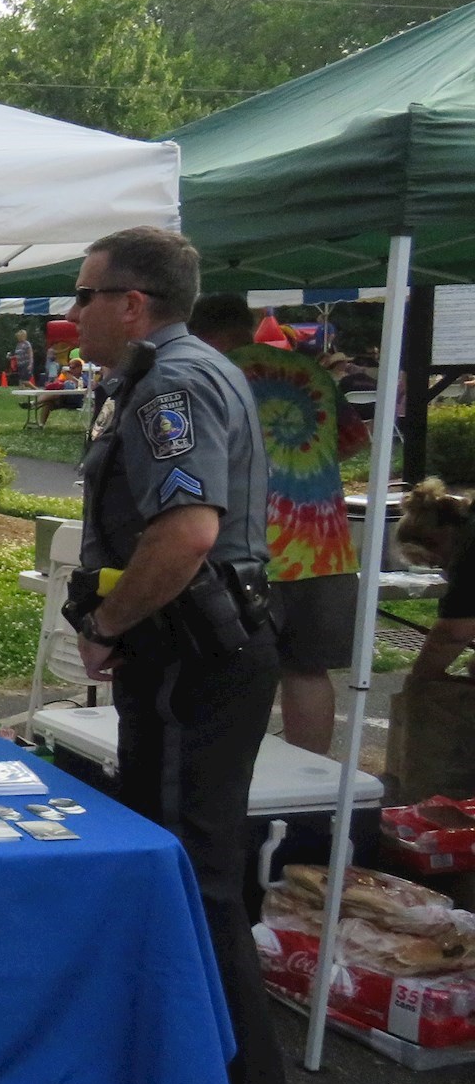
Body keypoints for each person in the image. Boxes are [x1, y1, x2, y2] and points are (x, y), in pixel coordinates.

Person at [70, 227, 314, 1084]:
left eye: (84, 295)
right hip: (196, 662)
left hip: (189, 666)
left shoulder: (168, 384)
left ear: (132, 303)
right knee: (192, 893)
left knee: (196, 902)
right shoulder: (177, 372)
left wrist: (109, 623)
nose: (71, 313)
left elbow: (185, 532)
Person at [192, 293, 371, 754]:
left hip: (247, 551)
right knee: (308, 672)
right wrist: (302, 466)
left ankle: (235, 782)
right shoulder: (309, 371)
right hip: (326, 549)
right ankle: (311, 779)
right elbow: (356, 439)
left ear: (198, 331)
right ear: (249, 323)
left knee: (233, 675)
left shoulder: (214, 373)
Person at [396, 479, 475, 681]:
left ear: (436, 541)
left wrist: (420, 679)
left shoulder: (467, 554)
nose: (442, 568)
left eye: (434, 563)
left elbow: (452, 632)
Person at [35, 358, 88, 425]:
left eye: (73, 368)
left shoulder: (85, 376)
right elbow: (57, 383)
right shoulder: (66, 376)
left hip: (77, 401)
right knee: (48, 402)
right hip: (63, 399)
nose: (71, 370)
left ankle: (34, 403)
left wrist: (68, 376)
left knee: (64, 388)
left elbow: (80, 384)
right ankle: (41, 424)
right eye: (70, 368)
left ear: (80, 368)